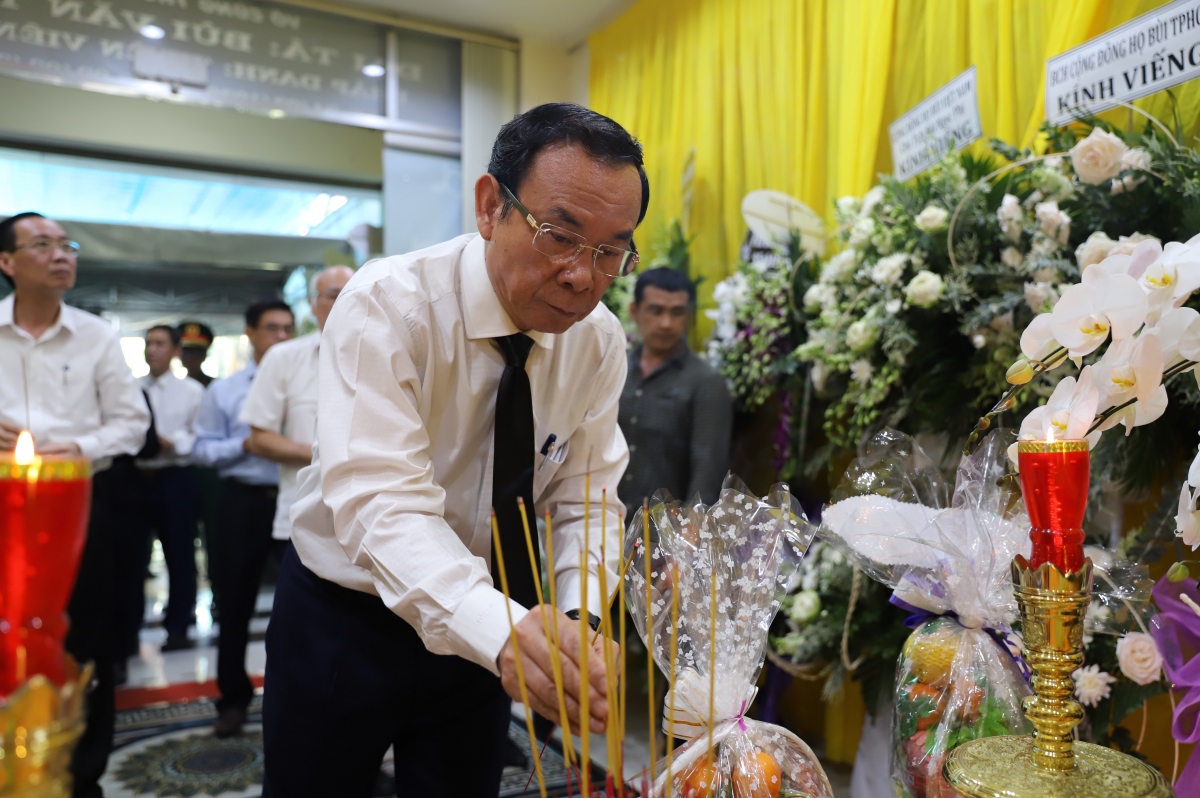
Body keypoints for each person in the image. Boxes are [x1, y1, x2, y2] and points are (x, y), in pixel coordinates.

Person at [262, 102, 646, 797]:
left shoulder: (597, 339)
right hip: (346, 614)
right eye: (561, 235)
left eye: (611, 251)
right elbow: (382, 502)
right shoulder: (389, 302)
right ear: (489, 205)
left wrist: (578, 621)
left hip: (489, 619)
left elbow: (587, 493)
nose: (583, 277)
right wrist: (499, 629)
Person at [0, 212, 151, 798]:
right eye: (43, 245)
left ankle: (80, 773)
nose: (62, 255)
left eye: (68, 245)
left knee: (86, 637)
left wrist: (80, 447)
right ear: (7, 263)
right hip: (4, 505)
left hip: (80, 505)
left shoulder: (95, 334)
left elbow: (132, 423)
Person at [192, 299, 293, 737]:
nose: (282, 337)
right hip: (242, 500)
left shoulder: (312, 380)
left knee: (302, 607)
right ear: (250, 333)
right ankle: (232, 700)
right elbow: (202, 449)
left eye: (289, 328)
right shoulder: (226, 390)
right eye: (272, 328)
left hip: (295, 499)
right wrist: (244, 446)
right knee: (233, 605)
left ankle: (298, 699)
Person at [241, 266, 354, 543]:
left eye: (354, 293)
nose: (347, 301)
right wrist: (327, 456)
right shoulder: (285, 358)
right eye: (334, 295)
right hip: (304, 517)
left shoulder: (386, 354)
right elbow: (260, 439)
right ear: (313, 304)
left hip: (368, 520)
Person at [118, 325, 205, 660]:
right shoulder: (131, 388)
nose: (151, 349)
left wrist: (172, 443)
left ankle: (179, 627)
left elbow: (200, 436)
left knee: (180, 554)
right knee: (131, 558)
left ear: (174, 350)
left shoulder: (192, 391)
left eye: (159, 343)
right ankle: (128, 631)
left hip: (175, 476)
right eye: (147, 343)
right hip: (136, 479)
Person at [619, 267, 732, 517]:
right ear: (635, 311)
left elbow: (708, 470)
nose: (666, 323)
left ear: (689, 316)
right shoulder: (616, 368)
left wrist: (687, 539)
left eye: (677, 312)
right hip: (602, 528)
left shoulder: (705, 382)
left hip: (664, 539)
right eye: (656, 310)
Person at [178, 322, 215, 387]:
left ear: (204, 355)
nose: (189, 357)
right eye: (185, 351)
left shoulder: (215, 386)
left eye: (194, 352)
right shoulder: (176, 385)